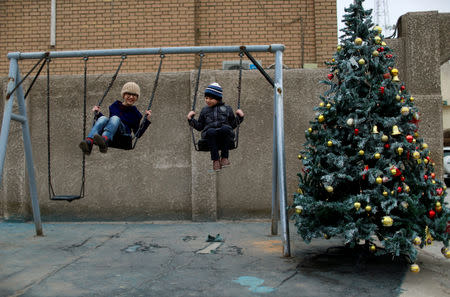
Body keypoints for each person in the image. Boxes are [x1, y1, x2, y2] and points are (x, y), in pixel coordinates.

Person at [79, 82, 151, 154]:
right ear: (123, 95)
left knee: (115, 118)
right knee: (103, 118)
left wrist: (146, 120)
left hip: (124, 135)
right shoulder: (114, 106)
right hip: (112, 130)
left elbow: (138, 134)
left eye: (134, 95)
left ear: (137, 98)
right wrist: (98, 114)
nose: (131, 97)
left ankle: (105, 140)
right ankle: (89, 142)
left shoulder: (136, 114)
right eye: (128, 94)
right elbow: (110, 123)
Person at [187, 82, 244, 171]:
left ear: (218, 99)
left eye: (211, 98)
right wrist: (191, 119)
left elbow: (232, 124)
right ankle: (216, 160)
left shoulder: (227, 109)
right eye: (206, 98)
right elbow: (200, 126)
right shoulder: (204, 110)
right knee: (210, 131)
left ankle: (224, 158)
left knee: (225, 128)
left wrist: (240, 117)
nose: (207, 100)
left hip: (224, 134)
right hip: (210, 135)